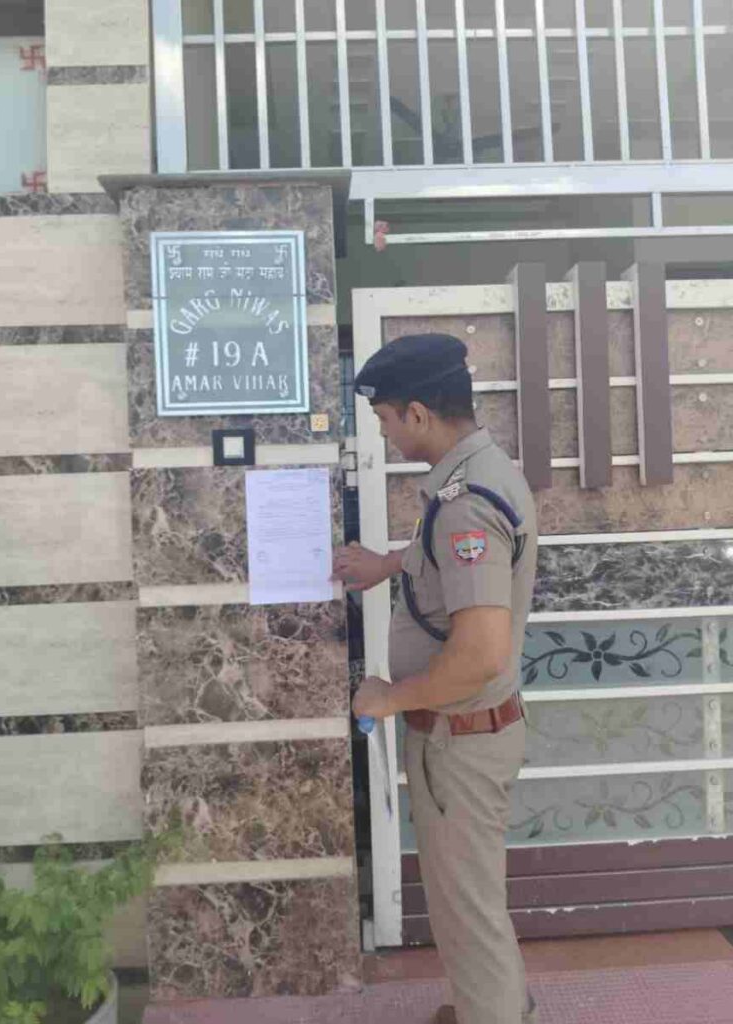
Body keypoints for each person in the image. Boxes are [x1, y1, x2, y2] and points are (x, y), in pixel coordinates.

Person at [332, 334, 538, 1024]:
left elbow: (479, 653)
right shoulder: (475, 473)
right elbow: (448, 562)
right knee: (463, 902)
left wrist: (389, 697)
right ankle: (484, 1007)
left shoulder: (465, 502)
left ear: (417, 413)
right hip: (463, 733)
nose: (384, 435)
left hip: (461, 738)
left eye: (385, 419)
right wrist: (387, 565)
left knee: (471, 913)